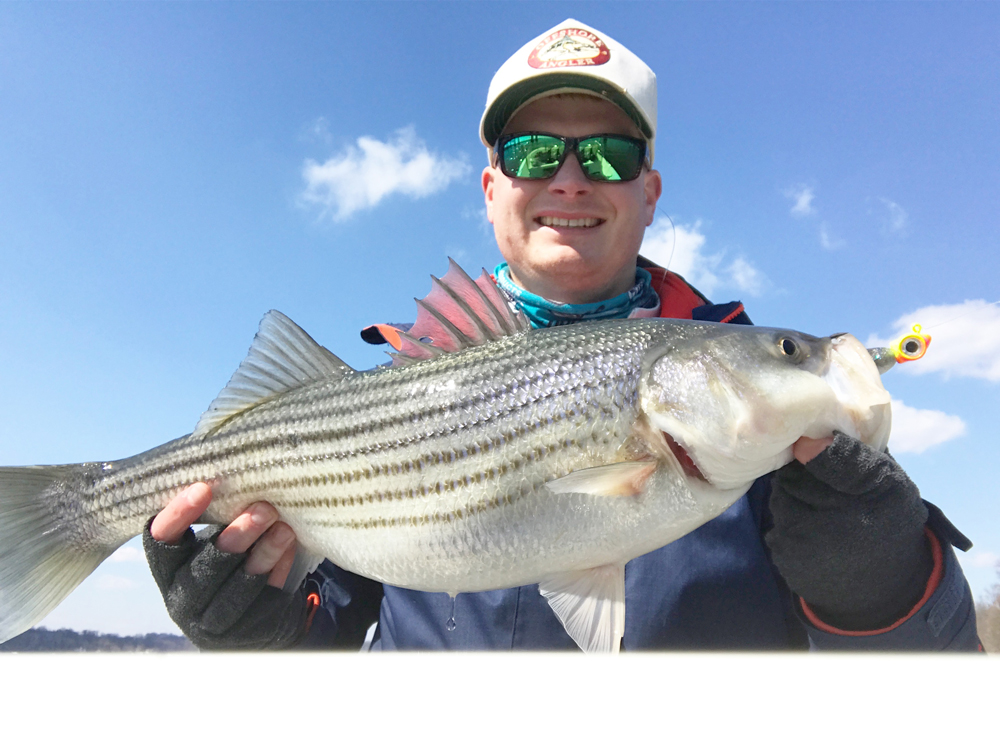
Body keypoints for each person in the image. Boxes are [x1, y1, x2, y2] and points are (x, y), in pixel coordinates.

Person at [143, 19, 981, 651]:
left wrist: (885, 586)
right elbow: (328, 633)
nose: (572, 179)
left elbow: (925, 684)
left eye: (610, 156)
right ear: (490, 186)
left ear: (650, 192)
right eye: (535, 151)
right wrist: (265, 632)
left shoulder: (767, 411)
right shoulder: (392, 386)